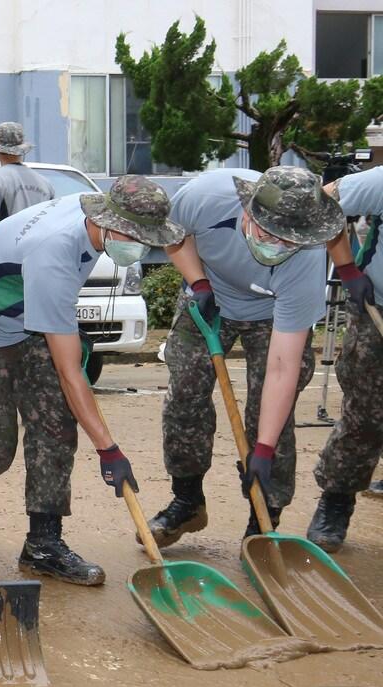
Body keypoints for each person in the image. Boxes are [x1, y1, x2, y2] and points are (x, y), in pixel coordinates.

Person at [0, 176, 185, 586]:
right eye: (133, 236)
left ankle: (43, 544)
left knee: (56, 422)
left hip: (24, 316)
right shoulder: (54, 250)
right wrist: (108, 449)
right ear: (107, 222)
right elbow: (70, 373)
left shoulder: (91, 216)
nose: (139, 245)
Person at [148, 166, 346, 546]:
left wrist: (264, 449)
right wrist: (198, 282)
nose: (276, 246)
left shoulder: (305, 261)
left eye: (287, 240)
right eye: (268, 233)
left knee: (268, 414)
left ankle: (263, 515)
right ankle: (187, 499)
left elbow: (283, 367)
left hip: (271, 313)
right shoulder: (204, 196)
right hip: (208, 294)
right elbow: (175, 236)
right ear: (247, 211)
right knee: (186, 390)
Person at [305, 169, 383, 551]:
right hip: (378, 314)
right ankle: (336, 502)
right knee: (366, 415)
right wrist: (348, 268)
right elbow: (322, 200)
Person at [0, 122, 55, 237]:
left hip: (6, 251)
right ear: (22, 151)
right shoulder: (45, 183)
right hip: (38, 250)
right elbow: (51, 223)